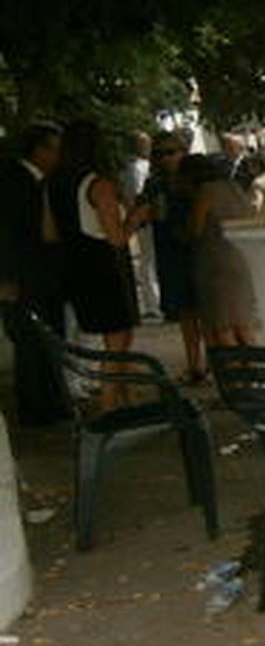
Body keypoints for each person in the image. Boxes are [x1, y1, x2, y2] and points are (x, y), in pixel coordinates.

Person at [51, 119, 140, 410]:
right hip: (104, 266)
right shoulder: (99, 184)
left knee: (109, 336)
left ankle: (123, 399)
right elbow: (116, 237)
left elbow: (49, 232)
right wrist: (136, 219)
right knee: (118, 340)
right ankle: (110, 405)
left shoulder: (53, 183)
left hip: (74, 262)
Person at [0, 121, 71, 425]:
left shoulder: (35, 181)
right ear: (40, 150)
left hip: (39, 273)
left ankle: (49, 403)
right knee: (31, 341)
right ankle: (37, 408)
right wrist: (6, 278)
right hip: (22, 275)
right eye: (55, 149)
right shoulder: (12, 180)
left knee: (45, 339)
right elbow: (5, 232)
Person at [139, 132, 207, 383]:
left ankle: (220, 367)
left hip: (197, 251)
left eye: (171, 152)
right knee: (185, 314)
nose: (166, 158)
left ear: (183, 152)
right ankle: (195, 366)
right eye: (159, 154)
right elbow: (141, 212)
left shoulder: (196, 180)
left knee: (208, 314)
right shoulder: (154, 184)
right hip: (170, 253)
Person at [182, 154, 259, 347]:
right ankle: (255, 363)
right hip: (241, 258)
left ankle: (233, 365)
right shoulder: (235, 188)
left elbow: (196, 229)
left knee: (223, 327)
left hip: (216, 264)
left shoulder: (205, 192)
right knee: (243, 324)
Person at [120, 131, 161, 319]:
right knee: (149, 261)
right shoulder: (137, 168)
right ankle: (153, 302)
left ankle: (153, 300)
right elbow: (138, 196)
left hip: (143, 219)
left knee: (148, 260)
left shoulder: (128, 169)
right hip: (147, 220)